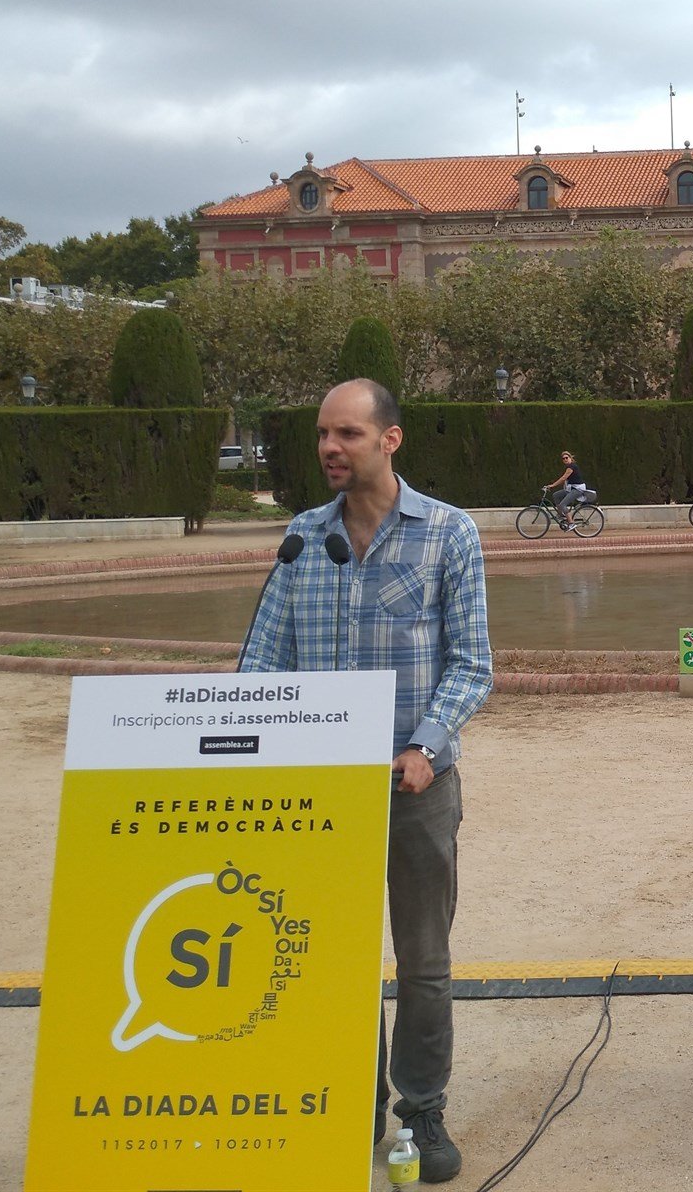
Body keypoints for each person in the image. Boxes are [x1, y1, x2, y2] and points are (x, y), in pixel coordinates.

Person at [239, 378, 491, 1184]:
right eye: (322, 434)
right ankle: (348, 1104)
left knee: (422, 962)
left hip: (416, 784)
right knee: (328, 961)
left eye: (345, 433)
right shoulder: (301, 539)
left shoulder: (449, 533)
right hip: (318, 795)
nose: (328, 449)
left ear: (390, 440)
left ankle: (422, 1109)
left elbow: (472, 664)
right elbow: (261, 664)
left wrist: (424, 744)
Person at [542, 449, 593, 526]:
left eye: (566, 457)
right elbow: (565, 481)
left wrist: (552, 485)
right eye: (563, 458)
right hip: (571, 489)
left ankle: (571, 523)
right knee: (556, 495)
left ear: (570, 458)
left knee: (563, 505)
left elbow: (563, 478)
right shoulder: (568, 467)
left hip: (578, 490)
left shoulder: (572, 466)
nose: (565, 459)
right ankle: (561, 515)